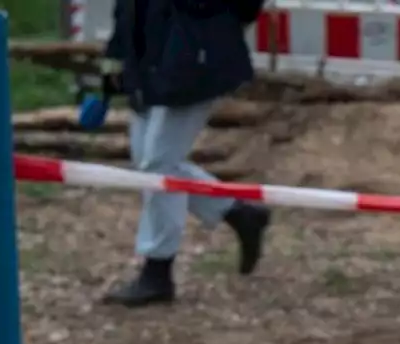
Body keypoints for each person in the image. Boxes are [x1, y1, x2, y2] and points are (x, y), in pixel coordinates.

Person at [99, 0, 272, 307]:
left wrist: (209, 25)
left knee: (158, 164)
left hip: (193, 57)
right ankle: (237, 212)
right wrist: (115, 56)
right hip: (149, 58)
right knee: (149, 164)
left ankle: (157, 270)